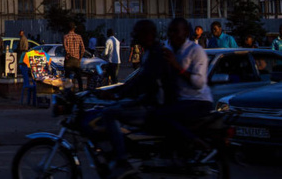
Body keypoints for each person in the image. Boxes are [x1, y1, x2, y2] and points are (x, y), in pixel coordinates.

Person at [98, 20, 177, 176]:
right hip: (148, 100)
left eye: (138, 34)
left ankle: (121, 160)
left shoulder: (156, 54)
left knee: (109, 113)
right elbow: (137, 81)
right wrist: (116, 91)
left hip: (154, 105)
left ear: (148, 35)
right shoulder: (149, 52)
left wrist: (117, 94)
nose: (135, 37)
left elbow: (142, 83)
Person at [151, 17, 214, 153]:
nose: (172, 35)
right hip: (178, 100)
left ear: (185, 33)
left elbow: (199, 82)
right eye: (170, 31)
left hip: (197, 100)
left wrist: (177, 66)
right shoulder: (168, 49)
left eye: (176, 31)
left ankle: (196, 141)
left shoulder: (195, 51)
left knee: (161, 116)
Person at [63, 23, 85, 91]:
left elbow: (65, 48)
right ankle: (80, 90)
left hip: (69, 59)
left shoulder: (65, 37)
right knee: (79, 77)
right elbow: (83, 49)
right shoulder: (79, 37)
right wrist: (80, 58)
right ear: (74, 28)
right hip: (76, 59)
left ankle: (68, 91)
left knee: (67, 76)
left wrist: (68, 54)